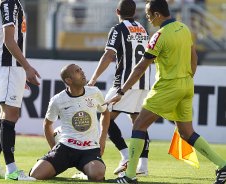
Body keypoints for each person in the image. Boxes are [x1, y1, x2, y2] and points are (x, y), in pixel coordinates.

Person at [104, 0, 226, 183]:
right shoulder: (184, 28)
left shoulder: (159, 36)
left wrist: (121, 91)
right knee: (186, 132)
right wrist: (187, 77)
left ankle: (129, 176)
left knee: (138, 126)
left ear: (157, 14)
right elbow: (195, 57)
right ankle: (222, 165)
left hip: (167, 87)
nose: (147, 18)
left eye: (148, 14)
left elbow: (140, 68)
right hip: (186, 85)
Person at [88, 0, 150, 176]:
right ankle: (143, 166)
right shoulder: (143, 29)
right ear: (135, 12)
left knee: (105, 115)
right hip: (144, 81)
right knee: (139, 123)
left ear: (117, 11)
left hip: (125, 83)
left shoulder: (118, 29)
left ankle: (124, 156)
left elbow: (109, 55)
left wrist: (93, 79)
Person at [0, 0, 40, 181]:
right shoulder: (8, 2)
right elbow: (9, 40)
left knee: (5, 115)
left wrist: (21, 70)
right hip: (8, 65)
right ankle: (12, 170)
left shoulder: (6, 2)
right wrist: (26, 67)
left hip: (9, 67)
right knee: (11, 114)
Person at [29, 64, 110, 182]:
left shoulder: (94, 92)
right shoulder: (57, 100)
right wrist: (53, 148)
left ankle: (84, 172)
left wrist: (102, 139)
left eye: (81, 69)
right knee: (35, 175)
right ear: (68, 80)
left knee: (97, 175)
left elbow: (105, 113)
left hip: (90, 149)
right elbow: (47, 124)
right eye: (77, 71)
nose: (82, 72)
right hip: (65, 148)